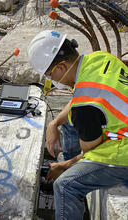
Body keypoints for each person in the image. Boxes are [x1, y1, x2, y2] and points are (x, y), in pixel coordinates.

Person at [27, 30, 128, 219]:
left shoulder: (85, 107)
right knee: (68, 125)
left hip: (124, 154)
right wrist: (54, 124)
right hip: (122, 126)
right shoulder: (100, 59)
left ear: (60, 67)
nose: (52, 80)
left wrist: (65, 166)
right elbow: (78, 100)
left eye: (50, 75)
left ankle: (76, 184)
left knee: (64, 186)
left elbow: (91, 153)